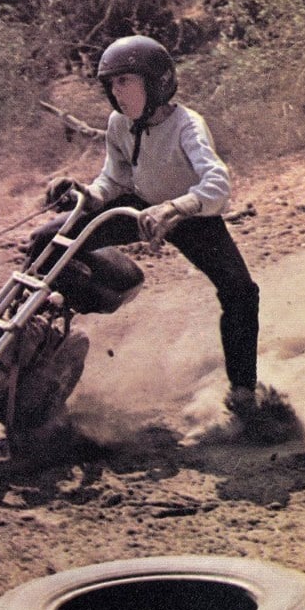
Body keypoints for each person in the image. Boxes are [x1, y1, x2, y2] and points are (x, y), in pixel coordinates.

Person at [35, 34, 262, 425]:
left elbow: (217, 183)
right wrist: (83, 194)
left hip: (191, 217)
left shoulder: (188, 125)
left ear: (156, 82)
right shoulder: (119, 124)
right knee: (47, 241)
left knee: (241, 293)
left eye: (125, 81)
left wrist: (175, 208)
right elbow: (114, 179)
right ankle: (41, 341)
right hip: (138, 207)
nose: (116, 92)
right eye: (111, 83)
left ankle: (243, 393)